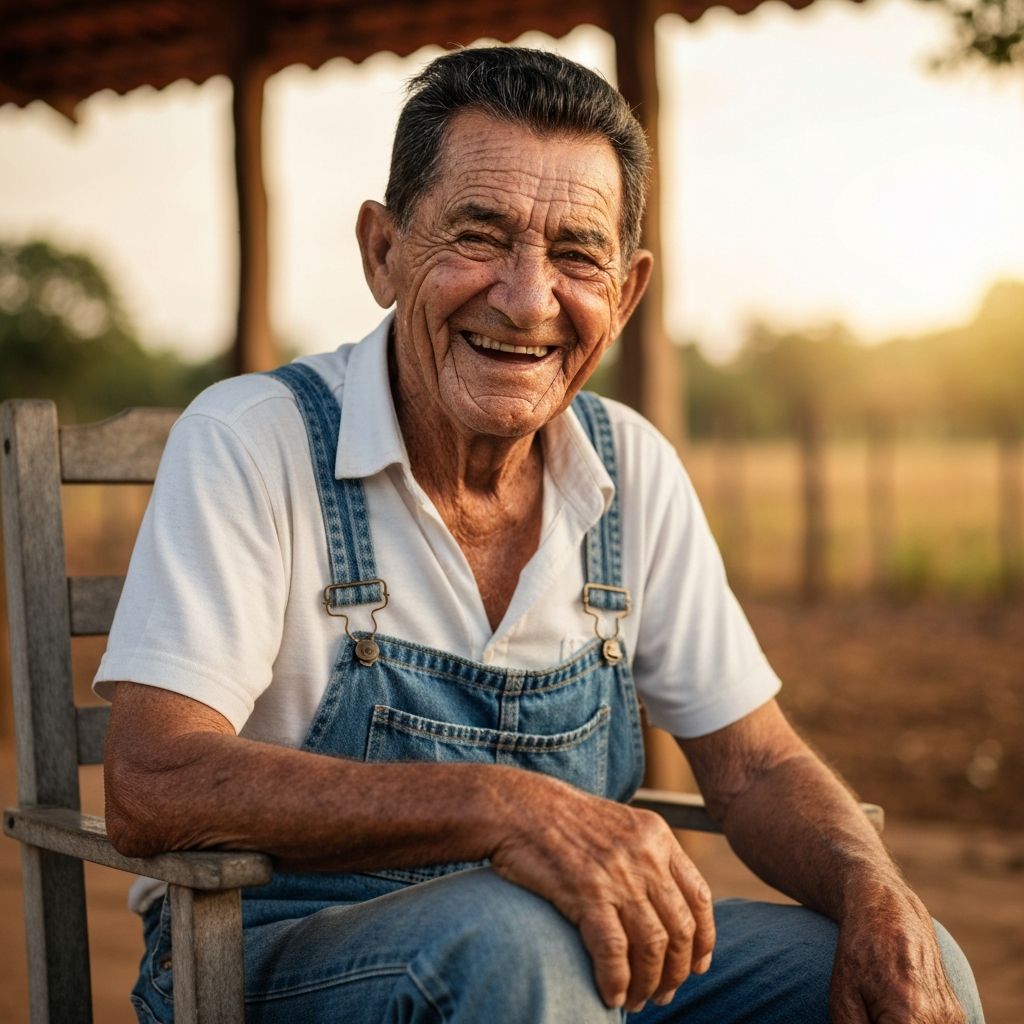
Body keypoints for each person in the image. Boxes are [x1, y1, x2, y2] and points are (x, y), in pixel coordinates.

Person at [97, 46, 983, 1024]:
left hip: (580, 957)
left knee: (908, 956)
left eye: (575, 254)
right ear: (382, 250)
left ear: (628, 288)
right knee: (511, 949)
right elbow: (153, 777)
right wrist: (504, 804)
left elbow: (756, 763)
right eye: (480, 236)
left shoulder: (629, 465)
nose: (527, 298)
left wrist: (874, 889)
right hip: (272, 953)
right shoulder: (252, 440)